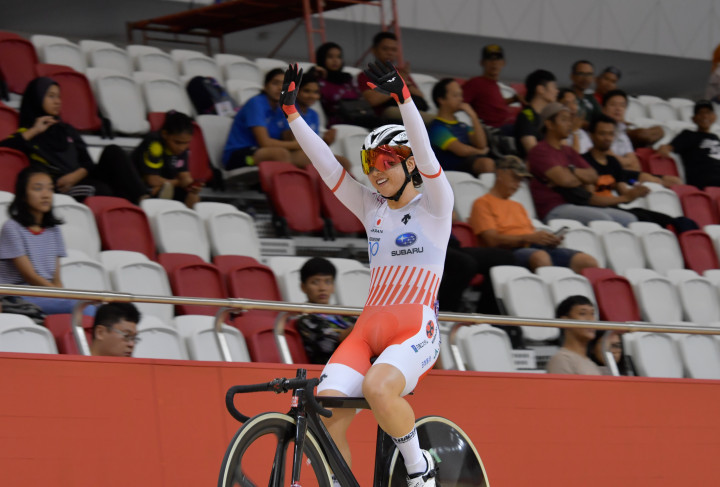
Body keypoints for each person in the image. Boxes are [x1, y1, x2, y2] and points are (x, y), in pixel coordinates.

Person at [281, 60, 452, 486]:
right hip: (368, 329)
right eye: (369, 162)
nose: (375, 171)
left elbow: (428, 155)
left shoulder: (436, 205)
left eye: (385, 162)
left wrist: (405, 100)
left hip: (416, 329)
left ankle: (419, 466)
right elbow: (327, 168)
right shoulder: (372, 208)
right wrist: (292, 115)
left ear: (409, 165)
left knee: (378, 389)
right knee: (326, 407)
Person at [0, 77, 147, 203]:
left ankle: (145, 198)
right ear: (37, 98)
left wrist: (76, 175)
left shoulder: (67, 129)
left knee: (113, 151)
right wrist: (35, 130)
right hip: (60, 187)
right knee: (101, 190)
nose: (57, 101)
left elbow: (88, 162)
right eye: (51, 96)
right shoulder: (27, 134)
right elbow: (5, 150)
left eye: (58, 96)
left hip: (79, 178)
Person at [470, 156, 598, 273]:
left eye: (520, 180)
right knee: (540, 257)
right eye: (515, 177)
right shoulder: (482, 203)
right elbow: (492, 240)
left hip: (532, 247)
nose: (518, 184)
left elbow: (530, 236)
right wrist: (530, 238)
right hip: (507, 252)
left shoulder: (518, 206)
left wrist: (547, 240)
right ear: (500, 173)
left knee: (587, 262)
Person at [0, 166, 94, 316]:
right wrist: (62, 296)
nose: (46, 195)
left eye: (50, 189)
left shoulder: (53, 229)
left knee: (102, 310)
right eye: (38, 189)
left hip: (46, 294)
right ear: (23, 195)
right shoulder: (12, 228)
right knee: (83, 307)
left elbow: (56, 277)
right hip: (17, 295)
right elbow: (30, 276)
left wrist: (61, 294)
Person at [527, 102, 638, 226]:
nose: (569, 124)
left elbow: (593, 176)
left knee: (629, 219)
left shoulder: (568, 150)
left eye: (570, 120)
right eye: (564, 120)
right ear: (549, 124)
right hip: (553, 208)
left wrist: (571, 170)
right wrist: (578, 177)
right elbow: (565, 181)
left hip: (577, 203)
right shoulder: (540, 150)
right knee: (604, 220)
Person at [584, 115, 696, 232]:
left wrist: (636, 193)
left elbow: (624, 193)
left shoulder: (613, 162)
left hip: (615, 207)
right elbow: (592, 199)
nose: (607, 138)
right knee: (642, 220)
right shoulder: (583, 162)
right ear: (591, 135)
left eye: (611, 134)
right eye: (602, 134)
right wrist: (626, 197)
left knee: (672, 221)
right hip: (596, 209)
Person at [222, 68, 311, 170]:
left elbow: (288, 137)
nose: (280, 88)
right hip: (239, 157)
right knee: (280, 154)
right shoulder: (256, 103)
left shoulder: (282, 108)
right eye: (275, 83)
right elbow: (264, 143)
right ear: (265, 86)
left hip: (265, 153)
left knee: (309, 157)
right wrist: (297, 145)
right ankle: (288, 185)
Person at [356, 32, 433, 124]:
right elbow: (372, 100)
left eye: (394, 50)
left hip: (408, 111)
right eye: (385, 49)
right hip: (385, 116)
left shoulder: (400, 73)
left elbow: (420, 96)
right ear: (374, 50)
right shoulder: (366, 75)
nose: (390, 53)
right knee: (435, 122)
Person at [131, 111, 202, 208]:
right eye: (178, 142)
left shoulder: (182, 150)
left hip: (164, 186)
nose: (182, 147)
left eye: (187, 143)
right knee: (167, 187)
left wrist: (193, 188)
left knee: (191, 194)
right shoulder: (154, 144)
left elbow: (185, 177)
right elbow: (152, 181)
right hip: (141, 190)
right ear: (164, 134)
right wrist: (179, 183)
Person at [294, 257, 356, 365]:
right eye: (315, 282)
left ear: (333, 287)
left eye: (328, 282)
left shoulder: (344, 313)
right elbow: (328, 344)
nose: (322, 288)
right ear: (303, 287)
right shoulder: (306, 320)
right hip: (333, 369)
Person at [427, 78, 494, 175]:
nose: (461, 99)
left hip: (468, 166)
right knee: (487, 164)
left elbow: (481, 143)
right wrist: (481, 152)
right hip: (451, 172)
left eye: (461, 95)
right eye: (455, 95)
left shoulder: (462, 125)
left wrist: (474, 117)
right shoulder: (436, 128)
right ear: (441, 100)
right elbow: (462, 150)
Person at [312, 42, 382, 128]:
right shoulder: (319, 81)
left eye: (338, 57)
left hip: (360, 115)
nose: (335, 60)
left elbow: (360, 98)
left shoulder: (347, 78)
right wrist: (313, 73)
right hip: (340, 119)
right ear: (322, 58)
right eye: (330, 57)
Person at [294, 73, 353, 172]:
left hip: (308, 154)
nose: (312, 96)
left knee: (344, 162)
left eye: (316, 92)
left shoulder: (314, 115)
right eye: (306, 91)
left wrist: (326, 141)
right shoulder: (288, 110)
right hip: (294, 153)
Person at [658, 100, 720, 189]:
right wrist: (664, 148)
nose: (705, 116)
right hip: (703, 181)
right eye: (700, 113)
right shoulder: (688, 135)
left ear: (714, 117)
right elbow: (668, 147)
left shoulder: (715, 137)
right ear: (693, 119)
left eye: (708, 112)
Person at [602, 89, 665, 170]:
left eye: (622, 105)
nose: (618, 109)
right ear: (603, 109)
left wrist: (623, 162)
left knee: (672, 180)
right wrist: (627, 162)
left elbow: (636, 165)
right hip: (607, 175)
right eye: (613, 104)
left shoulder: (623, 134)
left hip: (626, 175)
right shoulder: (597, 131)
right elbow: (609, 160)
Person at [462, 44, 521, 129]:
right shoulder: (476, 83)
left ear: (503, 63)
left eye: (498, 59)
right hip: (494, 131)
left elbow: (491, 104)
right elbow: (456, 103)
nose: (494, 63)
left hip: (506, 127)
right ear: (482, 63)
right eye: (490, 59)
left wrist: (513, 99)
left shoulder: (494, 85)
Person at [546, 295, 603, 375]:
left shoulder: (590, 363)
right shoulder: (562, 359)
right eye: (583, 313)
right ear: (565, 321)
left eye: (592, 314)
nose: (591, 320)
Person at [514, 69, 558, 157]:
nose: (557, 91)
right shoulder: (526, 116)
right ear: (541, 89)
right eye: (554, 87)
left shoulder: (551, 117)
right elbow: (534, 153)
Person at [557, 88, 593, 154]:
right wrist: (574, 132)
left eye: (574, 102)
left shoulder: (582, 132)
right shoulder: (558, 134)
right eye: (566, 104)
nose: (573, 107)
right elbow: (573, 158)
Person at [569, 60, 601, 124]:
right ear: (572, 76)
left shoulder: (591, 99)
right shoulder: (565, 95)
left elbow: (600, 119)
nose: (585, 78)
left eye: (589, 74)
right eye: (581, 74)